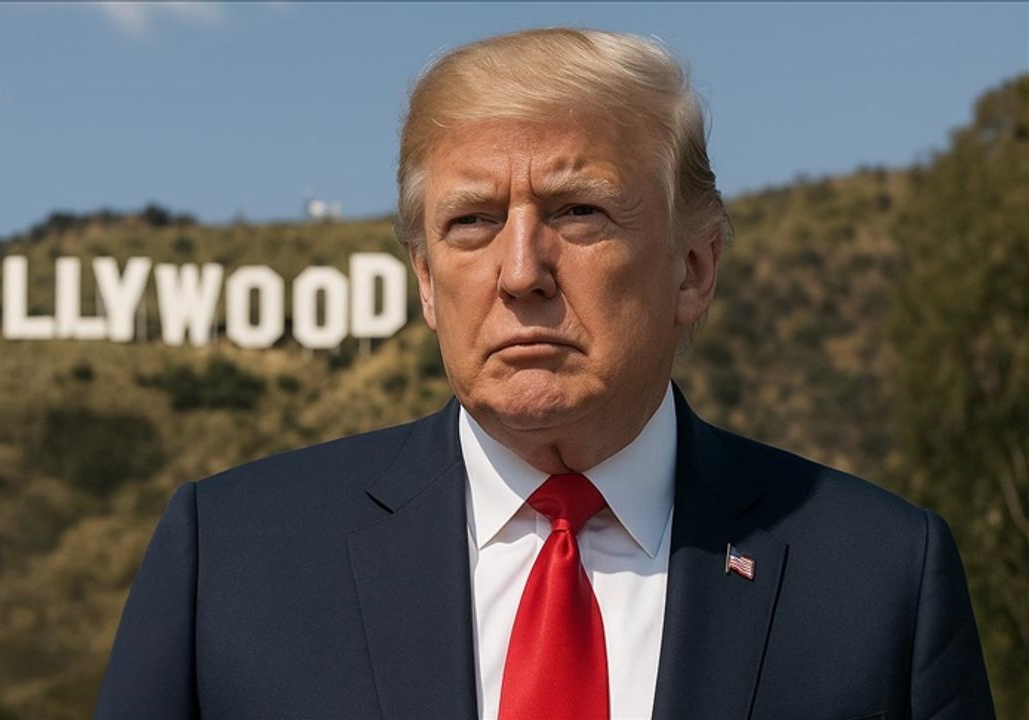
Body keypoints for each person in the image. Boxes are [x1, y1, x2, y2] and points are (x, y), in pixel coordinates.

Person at [94, 28, 994, 720]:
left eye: (578, 211)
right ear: (426, 282)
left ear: (693, 269)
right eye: (473, 222)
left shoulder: (879, 577)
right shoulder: (229, 561)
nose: (521, 271)